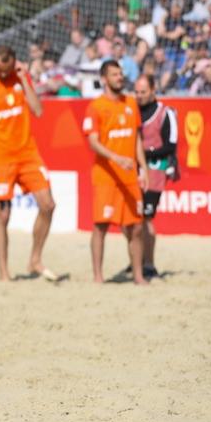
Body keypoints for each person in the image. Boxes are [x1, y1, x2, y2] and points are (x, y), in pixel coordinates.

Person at [0, 45, 57, 281]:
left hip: (28, 155)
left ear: (15, 63)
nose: (3, 73)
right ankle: (4, 272)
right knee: (3, 216)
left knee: (48, 205)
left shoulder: (21, 79)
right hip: (1, 159)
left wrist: (24, 79)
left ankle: (35, 259)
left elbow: (38, 110)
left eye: (7, 69)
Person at [83, 61, 148, 284]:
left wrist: (143, 168)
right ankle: (98, 277)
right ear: (104, 79)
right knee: (101, 225)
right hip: (106, 177)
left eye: (120, 74)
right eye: (114, 74)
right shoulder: (96, 107)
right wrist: (116, 158)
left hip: (130, 177)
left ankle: (138, 276)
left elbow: (137, 139)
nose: (120, 77)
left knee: (136, 227)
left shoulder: (131, 103)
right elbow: (93, 142)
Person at [135, 75, 177, 278]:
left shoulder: (165, 113)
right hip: (134, 173)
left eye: (143, 92)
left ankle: (149, 264)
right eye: (136, 92)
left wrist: (144, 154)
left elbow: (171, 145)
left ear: (153, 90)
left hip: (155, 172)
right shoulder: (132, 110)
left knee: (147, 218)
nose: (139, 96)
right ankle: (136, 259)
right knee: (132, 220)